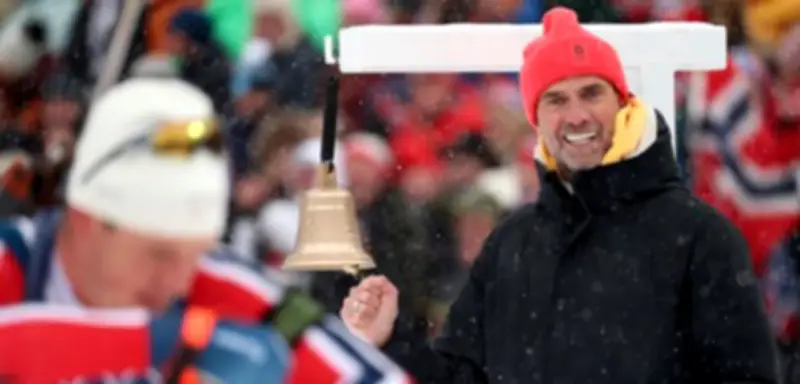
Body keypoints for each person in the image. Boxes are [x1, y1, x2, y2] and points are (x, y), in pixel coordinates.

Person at [341, 7, 779, 383]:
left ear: (623, 103)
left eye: (591, 93)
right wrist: (393, 338)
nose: (576, 115)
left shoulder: (700, 235)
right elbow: (462, 377)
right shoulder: (512, 243)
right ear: (537, 119)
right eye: (555, 100)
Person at [0, 76, 411, 383]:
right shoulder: (10, 264)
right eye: (158, 253)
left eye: (196, 252)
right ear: (87, 219)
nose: (177, 283)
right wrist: (154, 344)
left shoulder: (228, 297)